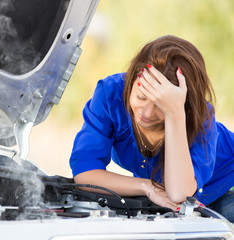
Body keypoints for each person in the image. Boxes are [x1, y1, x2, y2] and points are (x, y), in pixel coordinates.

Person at [69, 35, 234, 222]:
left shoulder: (199, 115)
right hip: (168, 199)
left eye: (160, 105)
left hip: (225, 183)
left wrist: (175, 114)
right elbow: (84, 173)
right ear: (131, 81)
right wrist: (147, 187)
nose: (146, 113)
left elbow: (179, 192)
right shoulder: (110, 95)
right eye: (140, 97)